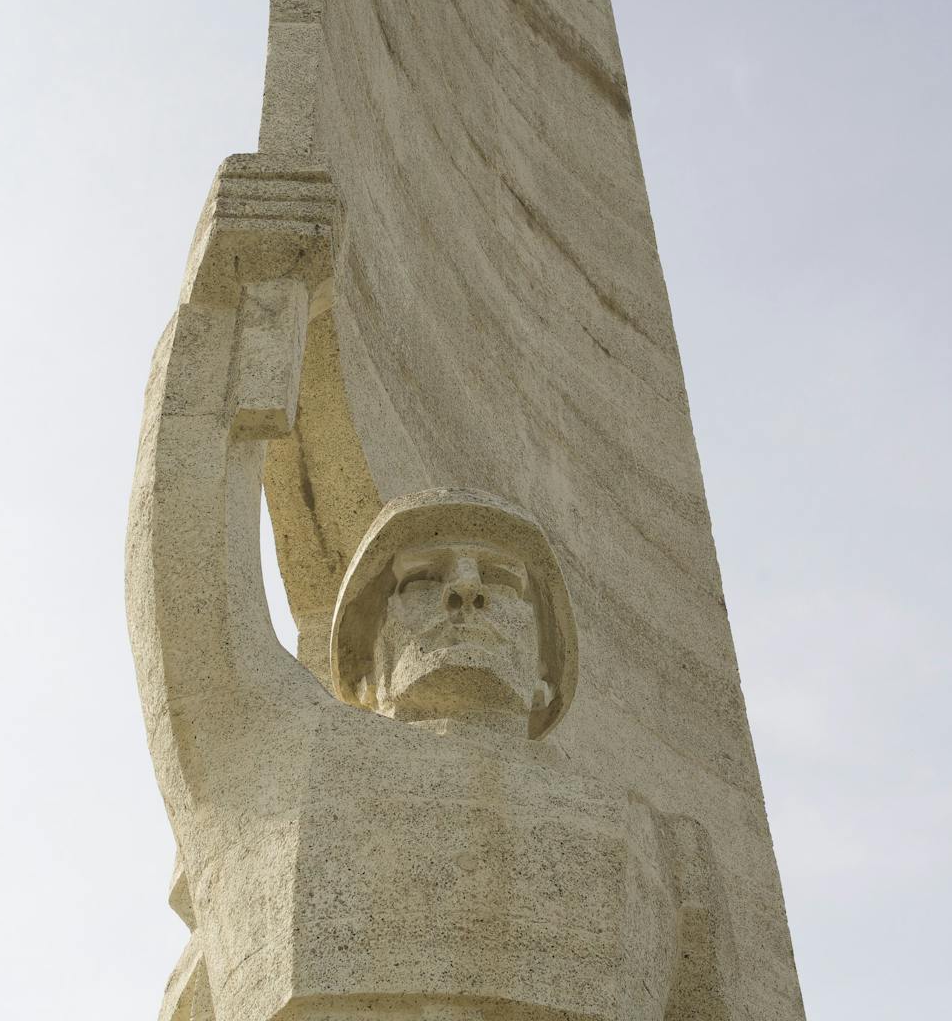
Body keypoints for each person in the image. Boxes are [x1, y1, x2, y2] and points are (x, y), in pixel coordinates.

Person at [128, 275, 736, 1020]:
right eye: (423, 578)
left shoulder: (667, 855)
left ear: (549, 672)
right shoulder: (291, 760)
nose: (465, 591)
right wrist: (237, 307)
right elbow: (189, 595)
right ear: (367, 660)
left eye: (503, 581)